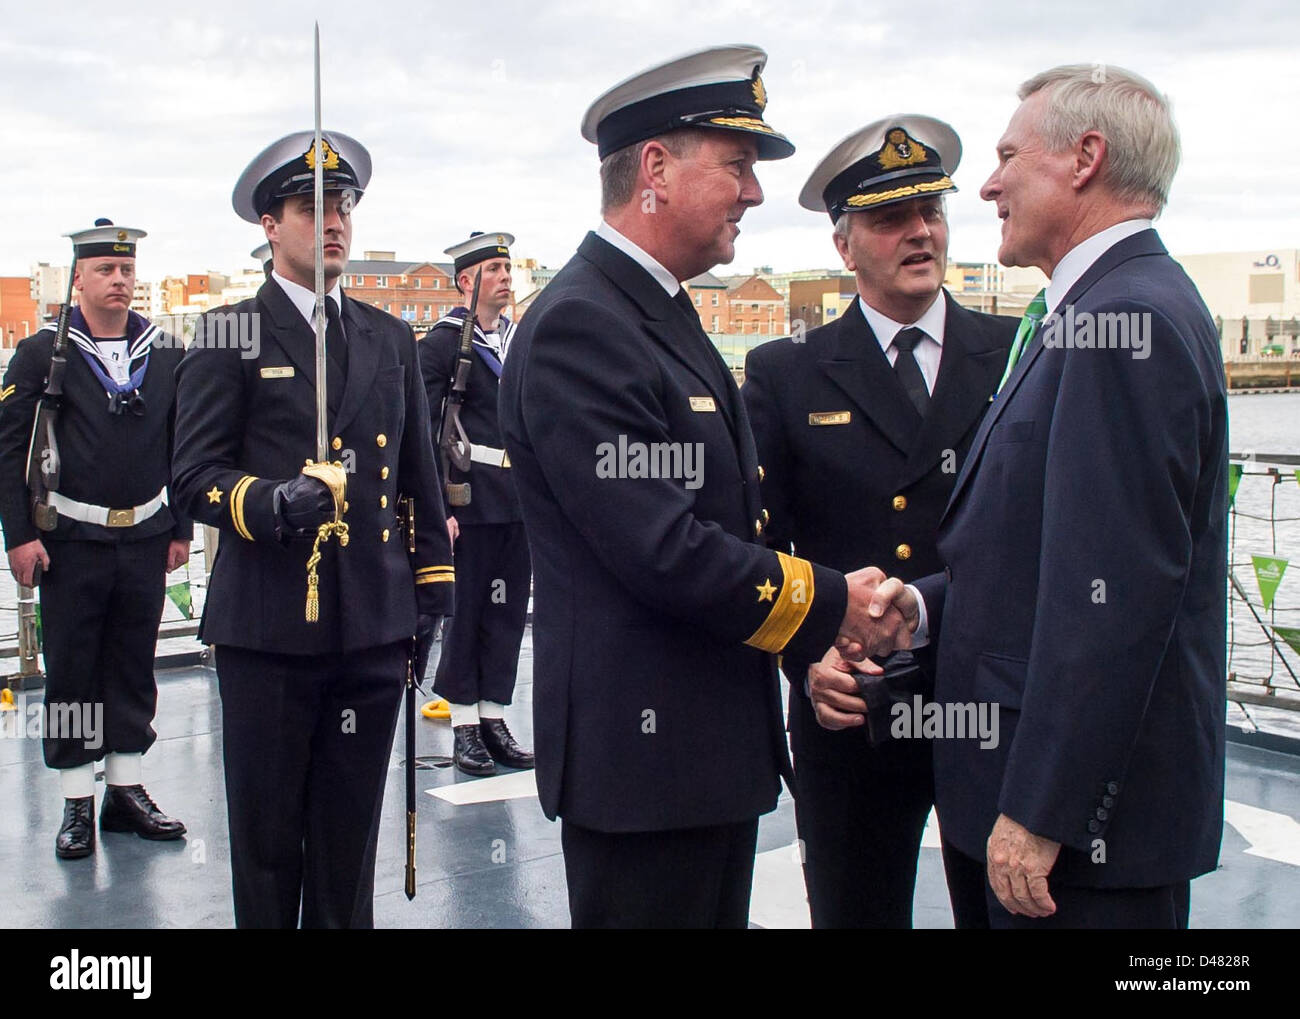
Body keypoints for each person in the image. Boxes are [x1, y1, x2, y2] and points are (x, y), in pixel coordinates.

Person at [498, 44, 909, 928]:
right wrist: (833, 602)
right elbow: (662, 545)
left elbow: (732, 511)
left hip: (699, 757)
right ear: (655, 169)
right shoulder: (582, 324)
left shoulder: (656, 308)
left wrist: (805, 637)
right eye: (736, 166)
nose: (754, 193)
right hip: (643, 771)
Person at [811, 65, 1228, 929]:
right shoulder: (1092, 312)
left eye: (1007, 158)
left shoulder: (1126, 324)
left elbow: (1115, 598)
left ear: (1085, 158)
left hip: (1082, 842)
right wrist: (920, 612)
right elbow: (1037, 557)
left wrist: (1043, 810)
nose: (990, 184)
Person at [171, 130, 455, 928]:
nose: (333, 223)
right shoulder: (229, 333)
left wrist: (431, 591)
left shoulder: (388, 336)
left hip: (370, 629)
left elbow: (418, 479)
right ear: (270, 225)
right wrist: (268, 501)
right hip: (268, 632)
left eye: (344, 207)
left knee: (347, 844)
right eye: (311, 208)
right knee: (266, 849)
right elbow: (191, 476)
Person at [743, 116, 1015, 928]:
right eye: (892, 218)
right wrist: (802, 656)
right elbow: (759, 543)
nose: (921, 232)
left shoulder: (1013, 353)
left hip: (985, 701)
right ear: (845, 245)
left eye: (931, 210)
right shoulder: (786, 372)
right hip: (852, 704)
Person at [0, 219, 191, 859]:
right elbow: (8, 454)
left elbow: (179, 446)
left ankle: (126, 793)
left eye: (127, 270)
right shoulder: (40, 356)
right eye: (105, 270)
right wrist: (19, 538)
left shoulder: (163, 353)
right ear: (77, 277)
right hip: (71, 540)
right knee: (74, 671)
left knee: (133, 666)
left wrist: (181, 528)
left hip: (144, 535)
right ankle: (77, 800)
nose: (119, 280)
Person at [418, 231, 534, 776]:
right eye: (492, 268)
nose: (505, 277)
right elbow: (419, 429)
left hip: (518, 499)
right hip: (468, 497)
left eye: (507, 267)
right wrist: (438, 505)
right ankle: (464, 723)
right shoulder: (443, 346)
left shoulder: (517, 341)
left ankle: (494, 715)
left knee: (507, 612)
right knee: (465, 614)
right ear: (466, 281)